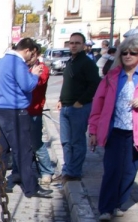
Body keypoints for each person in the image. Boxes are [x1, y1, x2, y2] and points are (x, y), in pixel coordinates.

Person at [88, 35, 138, 221]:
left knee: (129, 171)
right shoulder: (112, 76)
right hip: (115, 130)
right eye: (125, 52)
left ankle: (120, 202)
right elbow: (98, 103)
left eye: (133, 53)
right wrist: (94, 130)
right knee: (112, 169)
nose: (128, 56)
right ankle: (106, 208)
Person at [0, 38, 52, 198]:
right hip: (15, 111)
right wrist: (34, 75)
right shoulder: (17, 63)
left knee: (1, 149)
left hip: (1, 109)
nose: (32, 58)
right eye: (32, 54)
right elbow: (28, 85)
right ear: (28, 50)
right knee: (23, 151)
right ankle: (31, 187)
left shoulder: (3, 61)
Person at [57, 33, 101, 181]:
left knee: (77, 141)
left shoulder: (87, 63)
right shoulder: (70, 62)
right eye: (71, 43)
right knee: (66, 141)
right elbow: (67, 83)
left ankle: (74, 172)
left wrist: (81, 101)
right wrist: (60, 99)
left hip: (79, 108)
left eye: (77, 43)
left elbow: (94, 84)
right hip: (65, 107)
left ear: (83, 45)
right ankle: (67, 169)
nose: (74, 45)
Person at [27, 44, 56, 188]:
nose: (30, 58)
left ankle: (47, 171)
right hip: (22, 111)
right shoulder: (25, 67)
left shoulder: (42, 68)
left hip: (34, 111)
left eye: (33, 55)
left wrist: (32, 74)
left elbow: (38, 83)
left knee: (36, 143)